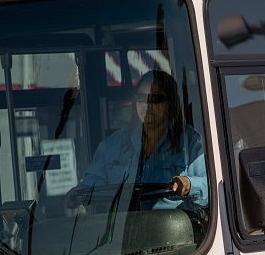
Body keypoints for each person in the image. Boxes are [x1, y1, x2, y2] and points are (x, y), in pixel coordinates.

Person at [67, 70, 207, 211]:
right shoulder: (113, 145)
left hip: (175, 229)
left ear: (171, 103)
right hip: (123, 228)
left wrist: (189, 184)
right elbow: (94, 181)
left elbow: (210, 186)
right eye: (141, 97)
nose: (146, 105)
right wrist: (80, 192)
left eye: (155, 98)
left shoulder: (190, 142)